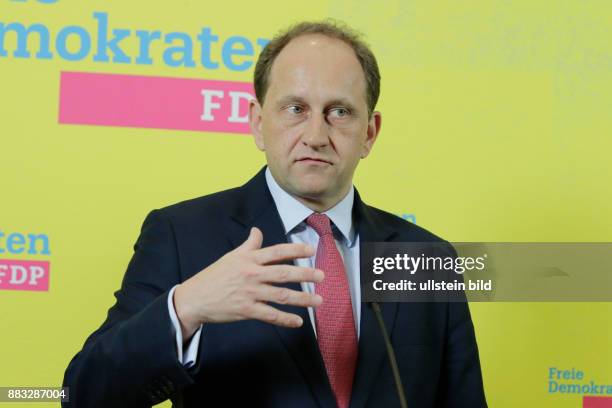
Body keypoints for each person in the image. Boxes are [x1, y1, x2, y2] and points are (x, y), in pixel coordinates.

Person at [63, 20, 487, 407]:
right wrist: (186, 308)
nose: (317, 135)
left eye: (339, 112)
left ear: (369, 134)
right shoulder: (181, 236)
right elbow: (83, 393)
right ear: (256, 123)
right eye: (295, 109)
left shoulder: (426, 257)